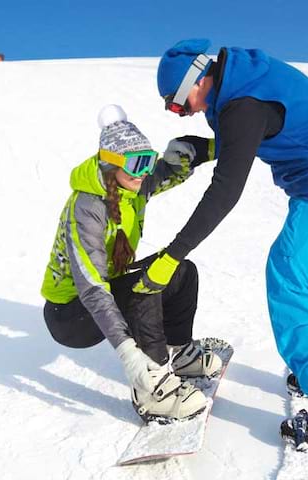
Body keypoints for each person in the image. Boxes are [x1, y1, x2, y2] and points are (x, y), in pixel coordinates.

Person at [143, 38, 308, 450]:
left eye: (178, 103)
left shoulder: (242, 103)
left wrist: (174, 253)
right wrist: (204, 149)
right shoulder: (243, 83)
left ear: (196, 80)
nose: (182, 112)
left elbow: (226, 191)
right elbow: (258, 135)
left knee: (295, 287)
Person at [41, 104, 223, 423]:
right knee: (145, 287)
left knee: (180, 270)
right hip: (69, 316)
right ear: (111, 166)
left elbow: (171, 169)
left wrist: (203, 149)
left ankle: (179, 354)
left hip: (101, 294)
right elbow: (93, 288)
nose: (144, 172)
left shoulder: (133, 187)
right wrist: (128, 354)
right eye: (137, 164)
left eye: (147, 161)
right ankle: (152, 389)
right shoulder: (87, 207)